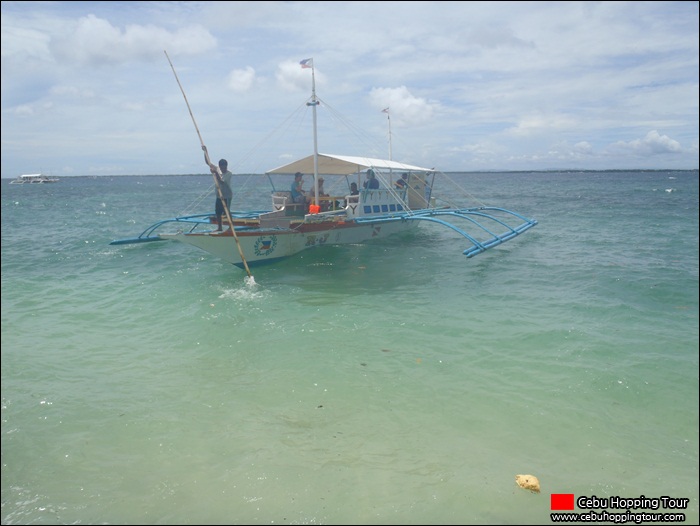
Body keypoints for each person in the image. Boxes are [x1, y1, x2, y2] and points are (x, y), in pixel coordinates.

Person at [208, 157, 233, 231]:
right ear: (220, 166)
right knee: (218, 212)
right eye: (221, 167)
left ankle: (230, 228)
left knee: (227, 211)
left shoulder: (229, 174)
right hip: (219, 195)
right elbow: (208, 163)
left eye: (224, 167)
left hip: (227, 195)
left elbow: (221, 181)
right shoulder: (218, 169)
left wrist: (215, 173)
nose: (223, 168)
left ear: (226, 166)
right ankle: (220, 227)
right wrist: (204, 150)